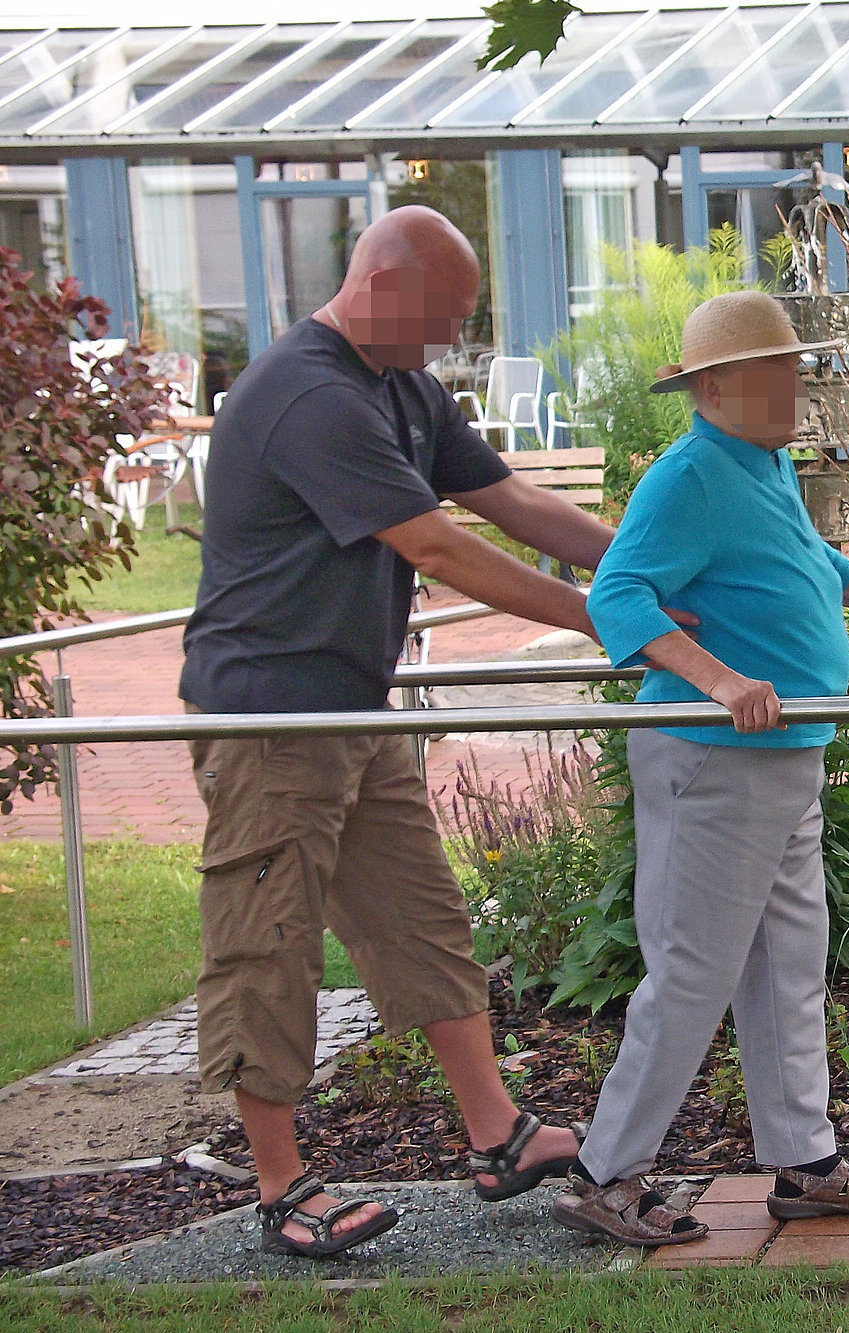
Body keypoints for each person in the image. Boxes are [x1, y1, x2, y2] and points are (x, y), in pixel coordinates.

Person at [179, 206, 686, 1259]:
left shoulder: (397, 383)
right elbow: (437, 546)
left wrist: (642, 572)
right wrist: (611, 619)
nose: (452, 343)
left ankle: (498, 1133)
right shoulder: (308, 393)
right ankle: (281, 1186)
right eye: (445, 318)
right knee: (264, 945)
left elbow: (506, 499)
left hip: (354, 710)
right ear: (384, 285)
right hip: (271, 720)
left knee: (421, 919)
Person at [552, 291, 849, 1246]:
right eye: (775, 370)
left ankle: (805, 1159)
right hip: (711, 759)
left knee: (790, 965)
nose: (797, 385)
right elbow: (618, 589)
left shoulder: (765, 464)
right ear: (713, 386)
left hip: (788, 757)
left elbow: (815, 562)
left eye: (797, 367)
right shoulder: (688, 475)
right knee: (692, 971)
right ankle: (602, 1170)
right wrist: (719, 678)